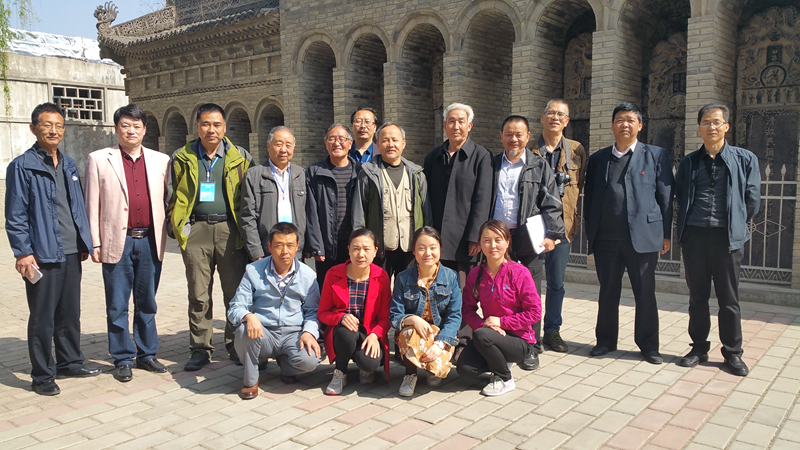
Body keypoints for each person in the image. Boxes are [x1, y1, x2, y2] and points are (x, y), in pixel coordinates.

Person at [5, 103, 99, 395]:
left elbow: (76, 206)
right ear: (34, 128)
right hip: (41, 254)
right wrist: (22, 252)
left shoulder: (69, 164)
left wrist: (82, 242)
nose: (54, 131)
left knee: (69, 312)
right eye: (47, 125)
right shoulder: (22, 166)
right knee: (42, 317)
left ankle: (69, 361)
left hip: (71, 251)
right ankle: (42, 375)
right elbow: (15, 214)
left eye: (59, 126)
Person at [84, 104, 171, 382]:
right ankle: (122, 357)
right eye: (125, 125)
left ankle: (147, 353)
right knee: (117, 304)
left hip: (149, 241)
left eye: (136, 126)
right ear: (116, 128)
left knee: (147, 302)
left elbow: (168, 200)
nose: (131, 131)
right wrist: (95, 243)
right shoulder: (99, 159)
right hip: (116, 241)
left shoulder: (161, 160)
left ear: (144, 129)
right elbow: (92, 205)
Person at [583, 102, 674, 364]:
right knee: (607, 292)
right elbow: (591, 199)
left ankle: (649, 345)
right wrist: (592, 233)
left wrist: (665, 234)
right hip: (606, 239)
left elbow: (666, 197)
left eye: (630, 120)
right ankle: (605, 341)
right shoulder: (598, 159)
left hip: (643, 238)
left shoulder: (655, 155)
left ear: (640, 125)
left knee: (645, 293)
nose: (625, 124)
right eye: (620, 120)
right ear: (612, 125)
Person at [166, 103, 255, 371]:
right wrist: (176, 226)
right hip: (196, 230)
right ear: (197, 126)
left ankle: (234, 343)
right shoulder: (182, 156)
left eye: (217, 124)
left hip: (230, 231)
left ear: (224, 127)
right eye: (205, 124)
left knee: (234, 293)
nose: (211, 130)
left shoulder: (240, 157)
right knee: (199, 293)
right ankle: (200, 348)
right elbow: (171, 193)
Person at [675, 104, 760, 377]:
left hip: (727, 239)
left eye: (716, 122)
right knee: (697, 297)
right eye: (706, 122)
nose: (711, 127)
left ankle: (732, 353)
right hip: (695, 237)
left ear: (726, 126)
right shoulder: (689, 162)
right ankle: (698, 348)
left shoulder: (745, 159)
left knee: (729, 298)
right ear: (699, 128)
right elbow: (680, 195)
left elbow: (752, 199)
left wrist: (736, 222)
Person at [490, 115, 564, 365]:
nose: (514, 139)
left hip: (528, 237)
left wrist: (552, 234)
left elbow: (551, 202)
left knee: (529, 291)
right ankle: (504, 339)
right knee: (500, 290)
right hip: (498, 239)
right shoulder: (491, 164)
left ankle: (532, 344)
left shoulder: (538, 166)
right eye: (509, 134)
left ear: (528, 136)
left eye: (519, 134)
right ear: (501, 136)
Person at [227, 222, 322, 400]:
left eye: (290, 245)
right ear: (269, 246)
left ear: (297, 246)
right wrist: (248, 316)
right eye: (279, 245)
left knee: (310, 360)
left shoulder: (308, 275)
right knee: (243, 331)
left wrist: (309, 332)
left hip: (293, 333)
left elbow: (313, 311)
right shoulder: (253, 270)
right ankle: (251, 380)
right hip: (263, 332)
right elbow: (236, 306)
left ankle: (286, 366)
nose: (284, 251)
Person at [457, 220, 542, 396]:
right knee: (464, 369)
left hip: (519, 339)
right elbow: (467, 309)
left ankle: (505, 378)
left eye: (498, 240)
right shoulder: (476, 274)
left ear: (507, 242)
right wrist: (484, 325)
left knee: (482, 336)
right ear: (480, 244)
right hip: (489, 334)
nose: (493, 245)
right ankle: (500, 364)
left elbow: (535, 312)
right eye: (487, 240)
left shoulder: (519, 272)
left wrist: (501, 322)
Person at [532, 100, 586, 353]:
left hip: (562, 228)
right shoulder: (530, 150)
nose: (555, 117)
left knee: (556, 283)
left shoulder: (576, 150)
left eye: (560, 114)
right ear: (542, 118)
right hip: (533, 228)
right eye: (550, 113)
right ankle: (530, 332)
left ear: (567, 121)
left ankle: (552, 331)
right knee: (530, 283)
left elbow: (580, 185)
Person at [424, 103, 493, 281]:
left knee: (464, 289)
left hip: (465, 241)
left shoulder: (481, 156)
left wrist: (476, 236)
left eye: (461, 121)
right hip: (436, 238)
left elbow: (483, 199)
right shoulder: (433, 157)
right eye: (451, 121)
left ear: (469, 126)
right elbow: (426, 198)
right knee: (436, 286)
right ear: (444, 125)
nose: (456, 126)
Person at [353, 122, 431, 279]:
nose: (390, 144)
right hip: (381, 248)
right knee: (378, 288)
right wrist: (361, 243)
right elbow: (359, 211)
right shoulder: (368, 174)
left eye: (395, 140)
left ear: (403, 143)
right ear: (377, 144)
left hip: (410, 248)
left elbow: (426, 211)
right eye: (385, 140)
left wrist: (426, 241)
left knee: (409, 288)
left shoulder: (417, 174)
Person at [390, 226, 462, 397]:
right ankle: (410, 374)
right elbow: (394, 315)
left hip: (440, 335)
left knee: (436, 375)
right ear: (414, 251)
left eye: (432, 248)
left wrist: (440, 343)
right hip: (413, 334)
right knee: (409, 332)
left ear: (440, 249)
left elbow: (455, 315)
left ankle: (431, 367)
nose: (427, 253)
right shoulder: (403, 278)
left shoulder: (451, 277)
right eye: (421, 248)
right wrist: (413, 319)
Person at [318, 228, 391, 395]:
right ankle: (340, 372)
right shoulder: (333, 274)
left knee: (369, 363)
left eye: (366, 249)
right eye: (356, 248)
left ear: (375, 251)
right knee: (346, 333)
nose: (361, 254)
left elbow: (386, 316)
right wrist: (340, 317)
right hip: (343, 333)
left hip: (369, 333)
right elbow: (323, 312)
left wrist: (376, 335)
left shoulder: (382, 277)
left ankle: (364, 368)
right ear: (349, 249)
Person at [306, 124, 361, 288]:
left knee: (353, 289)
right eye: (332, 139)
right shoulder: (314, 172)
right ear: (326, 143)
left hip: (353, 244)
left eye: (342, 139)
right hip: (327, 246)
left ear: (350, 143)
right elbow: (311, 211)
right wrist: (316, 246)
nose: (337, 143)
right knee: (328, 289)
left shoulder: (361, 172)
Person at [241, 126, 306, 262]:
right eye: (278, 144)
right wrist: (255, 251)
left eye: (288, 145)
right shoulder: (253, 175)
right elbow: (247, 217)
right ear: (268, 146)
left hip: (294, 249)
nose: (283, 149)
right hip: (266, 250)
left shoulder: (301, 174)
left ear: (293, 147)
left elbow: (309, 213)